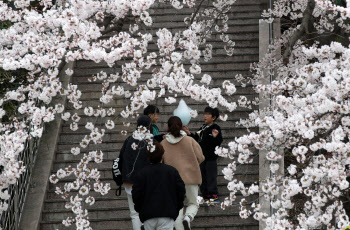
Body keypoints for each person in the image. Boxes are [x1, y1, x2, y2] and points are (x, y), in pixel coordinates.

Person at [161, 116, 205, 230]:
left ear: (168, 127)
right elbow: (201, 157)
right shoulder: (190, 140)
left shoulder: (163, 143)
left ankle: (180, 227)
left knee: (177, 207)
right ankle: (188, 217)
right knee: (193, 203)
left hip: (172, 180)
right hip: (191, 177)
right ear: (181, 126)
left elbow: (159, 162)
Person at [132, 142, 186, 230]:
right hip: (167, 213)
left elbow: (136, 194)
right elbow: (181, 191)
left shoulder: (141, 173)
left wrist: (140, 210)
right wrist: (176, 207)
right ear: (162, 155)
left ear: (148, 156)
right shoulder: (172, 171)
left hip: (148, 214)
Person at [183, 107, 223, 203]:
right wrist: (188, 133)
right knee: (202, 177)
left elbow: (218, 141)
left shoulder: (216, 128)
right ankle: (205, 195)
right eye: (205, 114)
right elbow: (196, 139)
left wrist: (214, 137)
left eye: (208, 114)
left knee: (211, 176)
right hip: (202, 157)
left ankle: (213, 195)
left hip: (211, 158)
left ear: (213, 117)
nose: (205, 116)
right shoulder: (202, 128)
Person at [119, 115, 153, 230]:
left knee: (134, 213)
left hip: (130, 181)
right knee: (148, 210)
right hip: (146, 182)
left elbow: (121, 159)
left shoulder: (129, 140)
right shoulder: (150, 141)